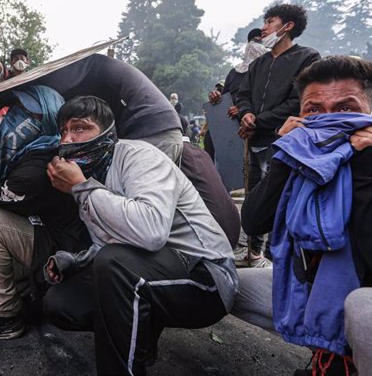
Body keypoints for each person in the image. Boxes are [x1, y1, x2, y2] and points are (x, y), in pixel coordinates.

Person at [232, 56, 372, 376]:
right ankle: (333, 357)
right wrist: (285, 155)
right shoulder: (302, 161)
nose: (329, 120)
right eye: (314, 111)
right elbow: (253, 222)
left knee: (368, 311)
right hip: (325, 288)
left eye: (346, 110)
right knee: (231, 284)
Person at [43, 96, 238, 376]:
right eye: (63, 131)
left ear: (108, 130)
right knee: (61, 303)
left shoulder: (139, 156)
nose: (69, 138)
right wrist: (74, 261)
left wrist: (82, 188)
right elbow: (106, 242)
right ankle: (142, 341)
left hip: (206, 277)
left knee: (115, 265)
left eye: (80, 128)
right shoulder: (93, 175)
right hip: (155, 272)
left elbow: (151, 232)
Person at [0, 86, 91, 340]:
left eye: (25, 113)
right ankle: (27, 292)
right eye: (13, 110)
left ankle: (3, 318)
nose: (13, 118)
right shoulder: (29, 149)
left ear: (47, 119)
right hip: (52, 236)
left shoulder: (41, 165)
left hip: (67, 253)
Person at [235, 4, 320, 267]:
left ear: (288, 26)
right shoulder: (259, 62)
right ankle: (253, 249)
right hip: (255, 138)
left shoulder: (307, 58)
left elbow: (299, 101)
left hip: (286, 140)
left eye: (270, 21)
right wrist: (246, 114)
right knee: (254, 194)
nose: (265, 27)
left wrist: (259, 121)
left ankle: (277, 255)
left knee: (282, 194)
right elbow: (243, 94)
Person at [17, 54, 184, 163]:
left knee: (140, 200)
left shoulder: (93, 69)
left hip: (153, 134)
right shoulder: (101, 68)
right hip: (165, 129)